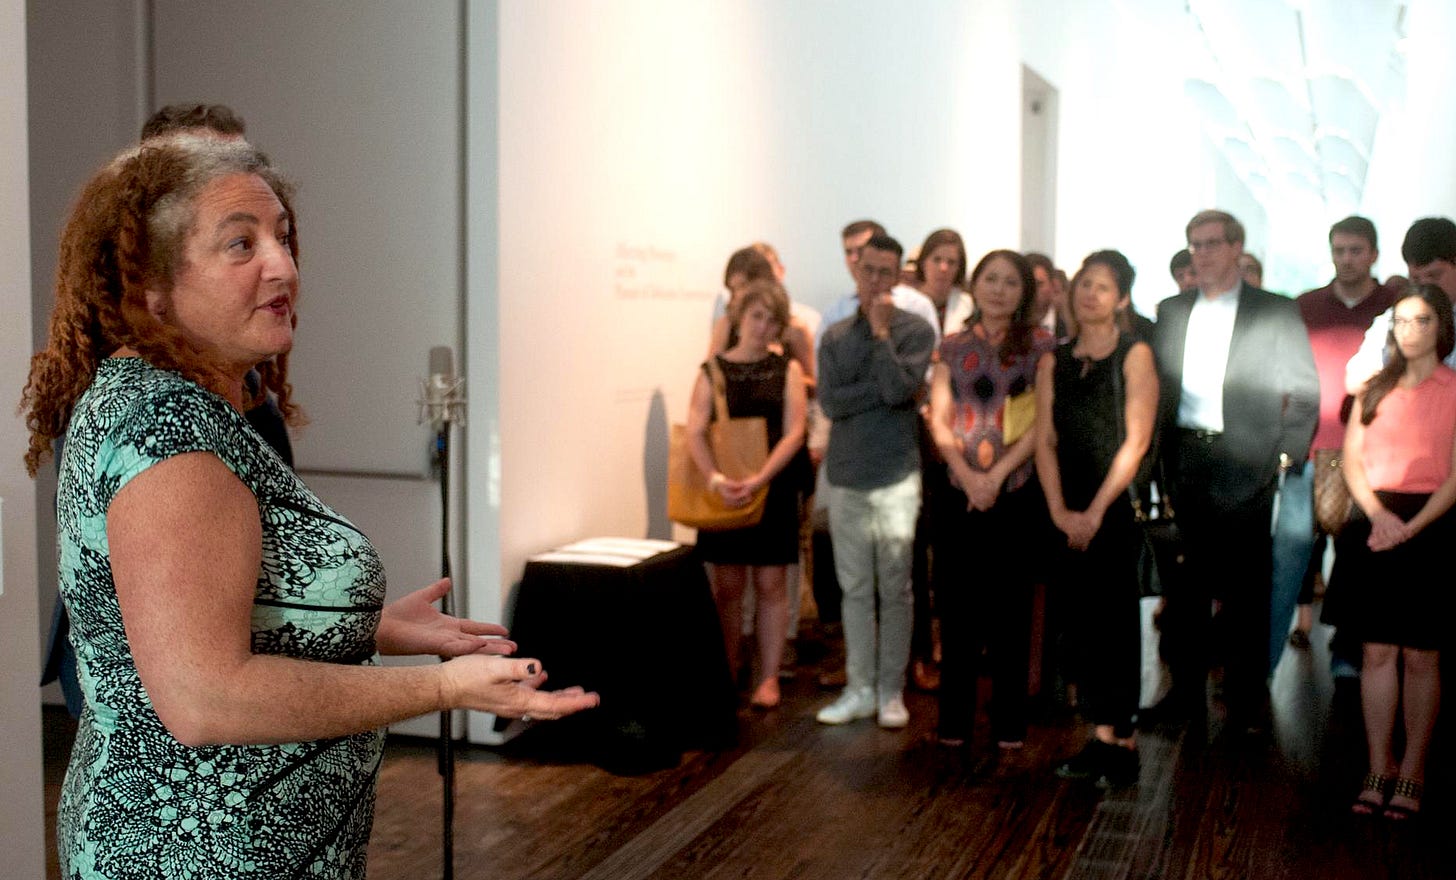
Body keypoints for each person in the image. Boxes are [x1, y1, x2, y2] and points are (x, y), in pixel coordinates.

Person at [21, 135, 599, 879]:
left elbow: (198, 613)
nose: (284, 267)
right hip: (202, 854)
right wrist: (444, 689)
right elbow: (204, 696)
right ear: (150, 287)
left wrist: (376, 627)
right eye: (241, 245)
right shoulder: (169, 433)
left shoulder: (180, 408)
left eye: (283, 239)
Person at [1148, 209, 1318, 734]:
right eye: (1194, 245)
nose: (1201, 254)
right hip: (1184, 460)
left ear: (1237, 248)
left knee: (1246, 590)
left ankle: (1245, 702)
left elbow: (1304, 389)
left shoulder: (1274, 310)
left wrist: (1284, 457)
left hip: (1249, 461)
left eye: (1212, 244)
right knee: (1185, 591)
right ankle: (1184, 697)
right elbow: (1157, 388)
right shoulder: (1172, 310)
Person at [1333, 285, 1456, 820]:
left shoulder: (1454, 390)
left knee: (1422, 656)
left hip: (1436, 523)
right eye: (1401, 321)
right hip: (1374, 519)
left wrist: (1413, 525)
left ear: (1441, 327)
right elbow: (1351, 461)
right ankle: (1378, 764)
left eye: (1421, 320)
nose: (1409, 331)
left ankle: (1413, 770)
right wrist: (1381, 517)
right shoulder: (1372, 389)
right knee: (1376, 653)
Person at [1036, 250, 1158, 785]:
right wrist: (1061, 510)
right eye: (1084, 284)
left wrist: (1093, 511)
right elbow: (1043, 439)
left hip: (1111, 506)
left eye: (1103, 287)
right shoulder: (1052, 360)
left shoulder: (1135, 355)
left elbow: (1136, 442)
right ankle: (1096, 734)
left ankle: (1122, 741)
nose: (1090, 294)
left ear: (1122, 299)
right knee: (1077, 624)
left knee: (1114, 623)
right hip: (1064, 506)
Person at [928, 249, 1057, 749]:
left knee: (1011, 611)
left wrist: (997, 475)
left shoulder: (1041, 346)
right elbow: (938, 420)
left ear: (1024, 292)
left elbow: (1042, 423)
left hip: (1017, 491)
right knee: (957, 608)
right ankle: (953, 723)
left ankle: (1009, 722)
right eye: (990, 279)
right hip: (957, 489)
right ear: (974, 285)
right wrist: (966, 473)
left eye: (1010, 282)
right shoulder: (951, 347)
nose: (999, 289)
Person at [815, 234, 936, 728]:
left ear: (900, 276)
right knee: (855, 589)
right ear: (856, 271)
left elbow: (898, 389)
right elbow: (831, 403)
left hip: (896, 475)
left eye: (887, 273)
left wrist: (884, 338)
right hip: (846, 474)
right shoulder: (836, 334)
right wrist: (882, 391)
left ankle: (891, 690)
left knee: (896, 587)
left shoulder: (915, 331)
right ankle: (858, 686)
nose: (877, 282)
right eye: (870, 271)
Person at [1274, 217, 1396, 671]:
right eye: (1339, 250)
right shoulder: (1304, 306)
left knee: (1358, 562)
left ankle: (1348, 658)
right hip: (1308, 449)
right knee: (1289, 558)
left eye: (1355, 250)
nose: (1346, 259)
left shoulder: (1395, 306)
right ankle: (1262, 669)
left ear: (1373, 254)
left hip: (1375, 455)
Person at [687, 279, 808, 710]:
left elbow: (795, 431)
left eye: (772, 319)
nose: (763, 326)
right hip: (727, 485)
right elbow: (695, 430)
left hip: (771, 486)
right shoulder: (713, 370)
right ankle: (728, 669)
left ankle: (769, 677)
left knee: (772, 583)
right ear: (740, 317)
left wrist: (761, 478)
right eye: (757, 316)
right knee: (727, 586)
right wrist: (716, 479)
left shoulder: (787, 369)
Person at [907, 228, 972, 692]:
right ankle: (917, 652)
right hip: (910, 435)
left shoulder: (969, 307)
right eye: (938, 259)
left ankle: (953, 643)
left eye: (953, 260)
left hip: (959, 437)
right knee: (911, 550)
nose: (944, 267)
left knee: (949, 548)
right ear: (923, 262)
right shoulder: (904, 305)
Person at [1345, 217, 1456, 393]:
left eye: (1434, 276)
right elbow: (1356, 381)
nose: (1425, 286)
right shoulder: (1395, 318)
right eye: (1416, 278)